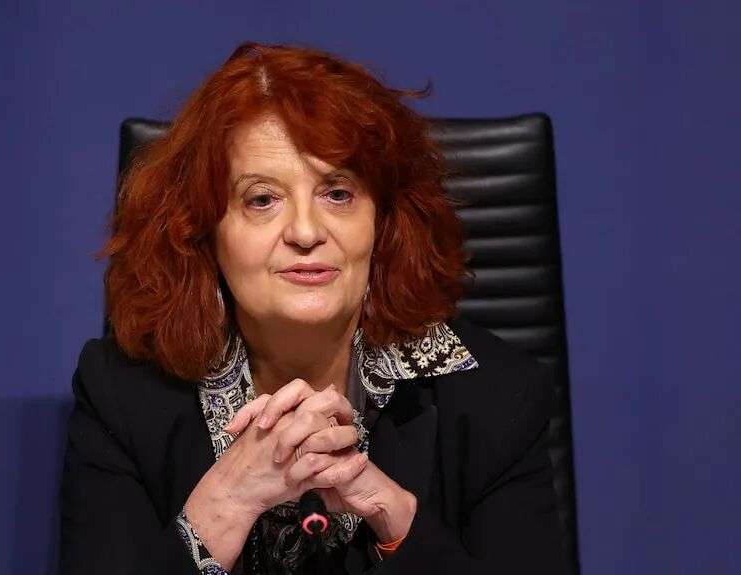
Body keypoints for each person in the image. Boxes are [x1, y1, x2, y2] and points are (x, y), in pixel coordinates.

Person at [59, 41, 568, 574]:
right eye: (262, 199)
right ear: (202, 232)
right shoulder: (121, 396)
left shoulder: (496, 397)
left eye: (338, 194)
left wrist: (397, 521)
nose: (305, 232)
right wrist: (225, 505)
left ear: (383, 224)